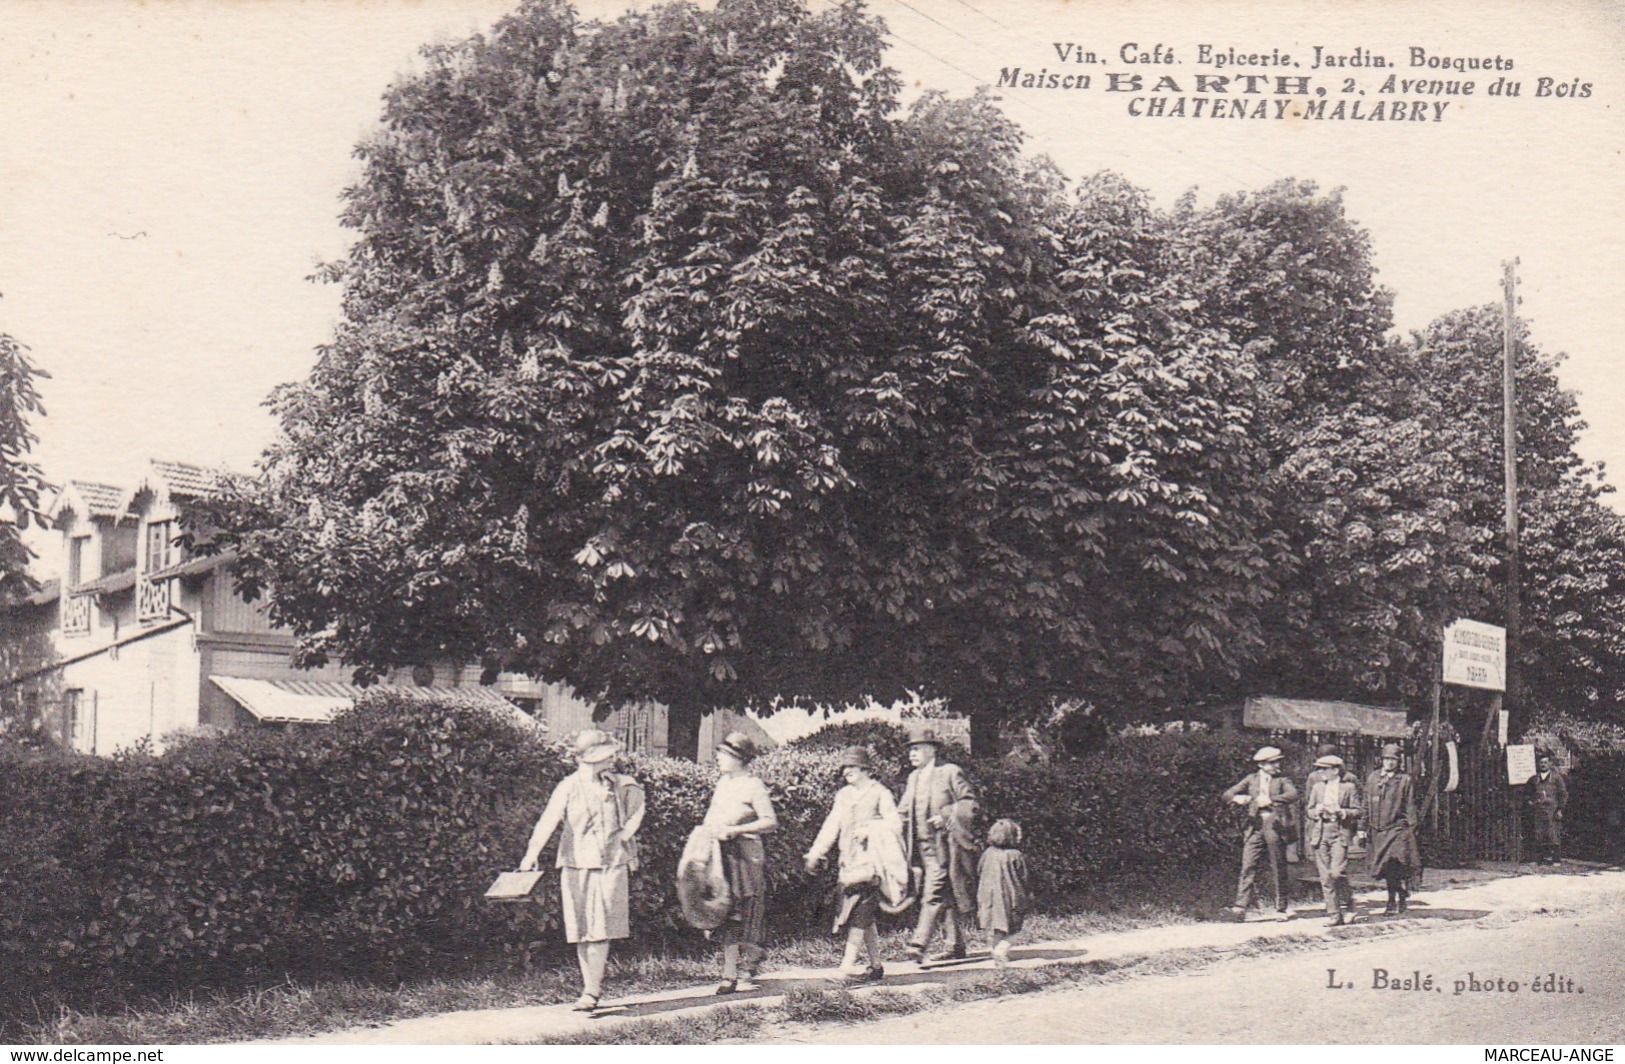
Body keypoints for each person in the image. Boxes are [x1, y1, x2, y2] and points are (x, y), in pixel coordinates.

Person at [517, 729, 645, 1011]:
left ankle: (591, 991)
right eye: (607, 754)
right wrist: (531, 854)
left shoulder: (618, 785)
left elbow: (636, 813)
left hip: (611, 864)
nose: (613, 758)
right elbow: (548, 821)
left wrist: (625, 835)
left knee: (601, 928)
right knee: (581, 928)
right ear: (591, 757)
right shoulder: (568, 787)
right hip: (576, 863)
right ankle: (590, 988)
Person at [803, 746, 905, 985]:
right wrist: (816, 852)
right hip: (849, 864)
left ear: (865, 769)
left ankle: (846, 968)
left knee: (858, 912)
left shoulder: (880, 793)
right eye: (845, 767)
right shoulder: (844, 796)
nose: (846, 771)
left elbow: (895, 824)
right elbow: (832, 825)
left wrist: (871, 828)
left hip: (872, 865)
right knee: (863, 915)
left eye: (852, 766)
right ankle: (876, 966)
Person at [703, 731, 778, 994]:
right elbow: (711, 817)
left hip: (747, 858)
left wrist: (737, 830)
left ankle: (750, 960)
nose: (718, 758)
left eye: (723, 754)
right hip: (722, 857)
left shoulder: (753, 786)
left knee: (746, 912)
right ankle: (730, 974)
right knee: (726, 912)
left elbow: (770, 821)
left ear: (738, 758)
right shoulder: (722, 783)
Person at [898, 726, 980, 963]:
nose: (912, 754)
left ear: (932, 750)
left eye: (917, 749)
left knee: (932, 892)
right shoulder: (913, 778)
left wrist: (945, 815)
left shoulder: (950, 772)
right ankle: (954, 945)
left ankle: (918, 943)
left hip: (946, 846)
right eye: (910, 750)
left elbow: (970, 803)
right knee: (944, 894)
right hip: (922, 848)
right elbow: (903, 812)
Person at [1223, 746, 1299, 921]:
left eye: (1278, 762)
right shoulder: (1251, 779)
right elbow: (1227, 794)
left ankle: (1281, 908)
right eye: (1273, 763)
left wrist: (1271, 800)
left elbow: (1293, 794)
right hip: (1254, 827)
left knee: (1278, 866)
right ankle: (1240, 907)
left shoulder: (1282, 780)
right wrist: (1237, 798)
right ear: (1262, 765)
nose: (1277, 765)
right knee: (1248, 864)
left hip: (1274, 825)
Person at [1360, 742, 1421, 915]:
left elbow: (1409, 806)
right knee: (1383, 869)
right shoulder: (1373, 778)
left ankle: (1393, 901)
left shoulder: (1404, 780)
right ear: (1382, 760)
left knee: (1394, 865)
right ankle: (1400, 894)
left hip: (1397, 830)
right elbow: (1366, 804)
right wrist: (1361, 828)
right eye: (1387, 759)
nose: (1390, 763)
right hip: (1377, 831)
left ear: (1398, 761)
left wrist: (1411, 829)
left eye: (1393, 760)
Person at [1305, 753, 1362, 926]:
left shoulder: (1349, 787)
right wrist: (1316, 811)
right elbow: (1309, 810)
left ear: (1335, 770)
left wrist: (1342, 811)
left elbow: (1358, 811)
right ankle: (1334, 915)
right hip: (1321, 834)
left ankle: (1349, 905)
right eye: (1319, 768)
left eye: (1324, 768)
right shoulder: (1317, 788)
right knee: (1325, 877)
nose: (1320, 772)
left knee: (1336, 873)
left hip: (1339, 832)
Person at [977, 818, 1028, 966]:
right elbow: (1024, 877)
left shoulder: (987, 853)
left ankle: (995, 951)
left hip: (988, 896)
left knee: (996, 926)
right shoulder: (1016, 855)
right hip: (1010, 896)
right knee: (1015, 928)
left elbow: (979, 870)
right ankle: (1002, 949)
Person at [1528, 752, 1568, 865]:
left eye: (1545, 762)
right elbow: (1528, 793)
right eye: (1541, 762)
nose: (1543, 765)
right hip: (1538, 809)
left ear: (1550, 764)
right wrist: (1530, 802)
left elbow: (1563, 794)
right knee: (1538, 834)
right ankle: (1538, 859)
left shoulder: (1556, 778)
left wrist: (1560, 809)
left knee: (1553, 834)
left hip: (1552, 810)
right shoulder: (1534, 779)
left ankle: (1556, 859)